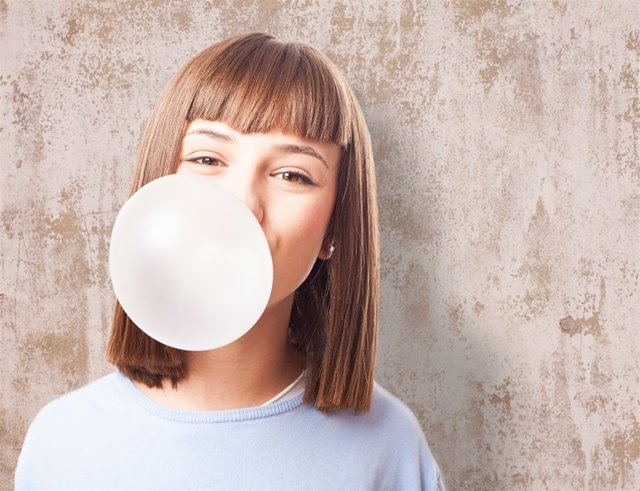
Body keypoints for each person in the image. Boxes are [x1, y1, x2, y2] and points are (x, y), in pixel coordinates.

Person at [15, 32, 444, 490]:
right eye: (207, 158)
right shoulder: (63, 443)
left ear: (335, 228)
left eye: (292, 174)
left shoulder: (388, 450)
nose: (242, 202)